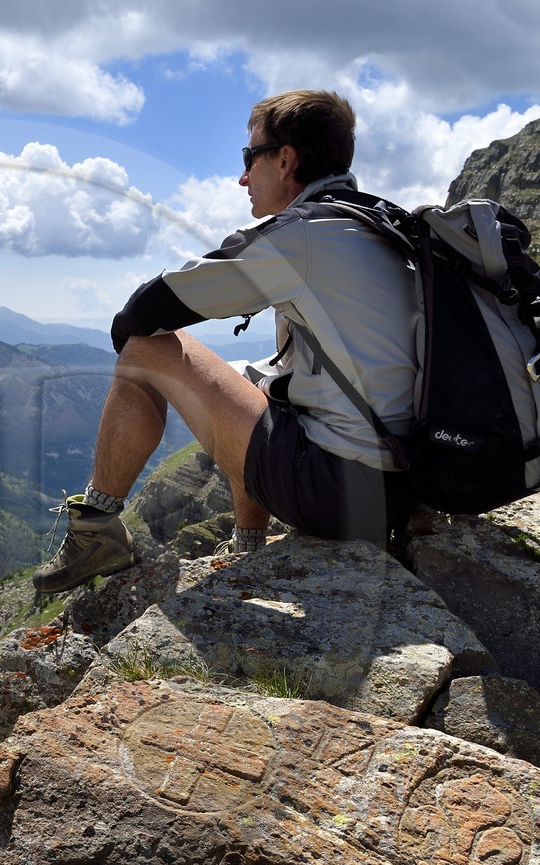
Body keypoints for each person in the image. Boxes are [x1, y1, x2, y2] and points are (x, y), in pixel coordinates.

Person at [33, 88, 420, 595]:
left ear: (285, 160)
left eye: (249, 157)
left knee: (145, 349)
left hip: (338, 488)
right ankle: (249, 549)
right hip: (408, 482)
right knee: (254, 381)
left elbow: (151, 306)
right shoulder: (383, 226)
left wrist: (128, 346)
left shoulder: (302, 236)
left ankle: (95, 531)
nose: (242, 177)